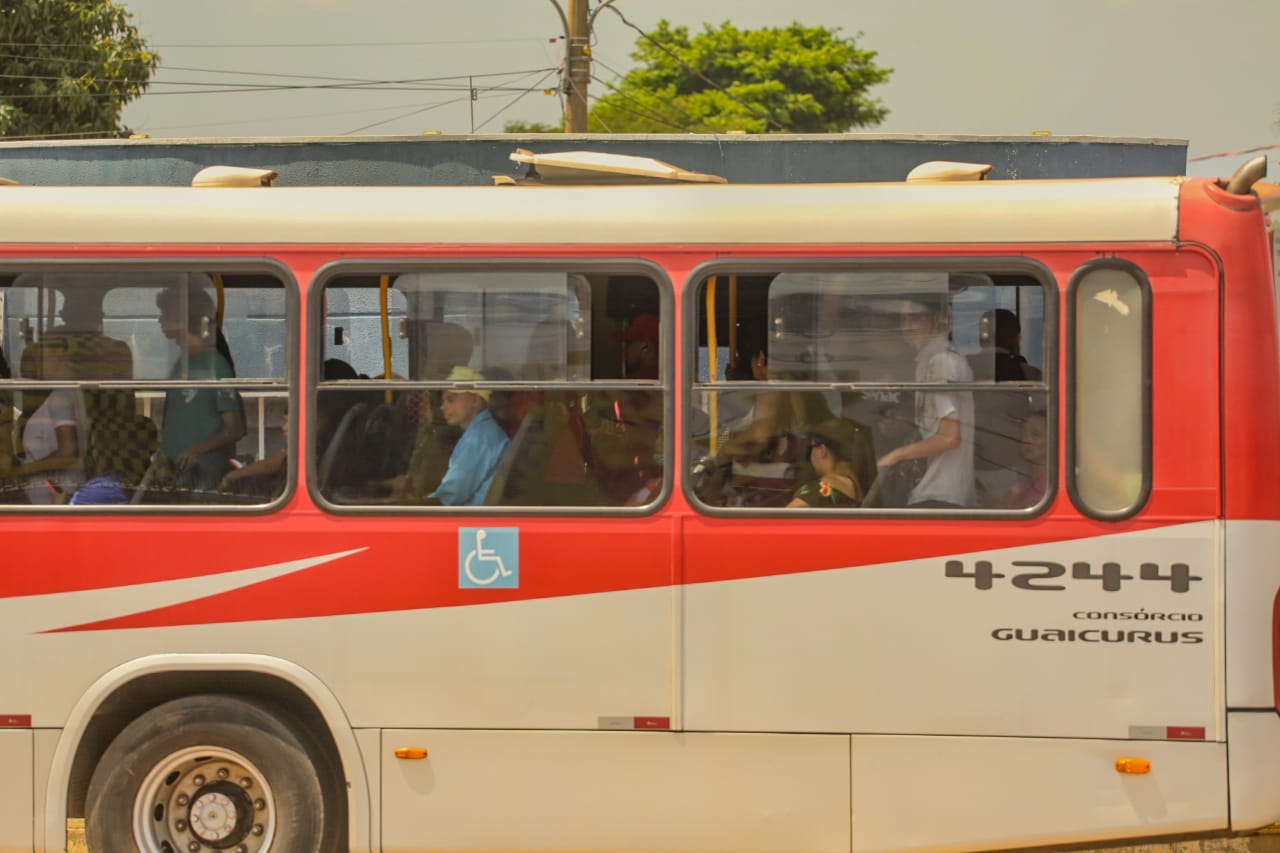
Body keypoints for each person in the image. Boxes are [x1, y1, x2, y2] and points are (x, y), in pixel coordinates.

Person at [877, 300, 975, 508]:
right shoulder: (929, 360)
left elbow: (949, 437)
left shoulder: (942, 362)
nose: (908, 326)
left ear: (937, 320)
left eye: (916, 317)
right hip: (933, 490)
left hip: (941, 493)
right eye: (904, 319)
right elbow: (936, 425)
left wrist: (896, 455)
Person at [156, 285, 246, 495]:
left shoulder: (216, 365)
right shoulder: (181, 363)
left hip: (202, 480)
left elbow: (235, 429)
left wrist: (196, 451)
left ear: (183, 318)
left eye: (165, 314)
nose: (159, 320)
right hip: (173, 475)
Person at [427, 366, 510, 506]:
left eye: (451, 400)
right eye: (443, 401)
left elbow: (452, 494)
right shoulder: (483, 431)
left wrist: (420, 502)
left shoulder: (479, 438)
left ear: (475, 401)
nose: (442, 407)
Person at [788, 419, 872, 508]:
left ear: (822, 450)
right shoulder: (858, 486)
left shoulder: (821, 489)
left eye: (811, 448)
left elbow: (784, 517)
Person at [617, 312, 660, 380]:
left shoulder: (634, 384)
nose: (624, 349)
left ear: (645, 346)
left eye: (629, 343)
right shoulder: (669, 379)